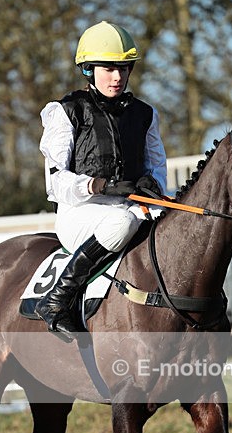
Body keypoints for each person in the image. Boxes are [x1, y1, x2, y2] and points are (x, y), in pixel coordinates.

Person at [35, 20, 167, 341]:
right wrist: (97, 186)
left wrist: (153, 184)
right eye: (108, 69)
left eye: (123, 68)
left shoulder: (145, 114)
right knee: (122, 221)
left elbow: (158, 166)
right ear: (88, 69)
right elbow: (55, 183)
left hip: (131, 208)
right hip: (79, 213)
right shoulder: (66, 111)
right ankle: (58, 300)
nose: (117, 77)